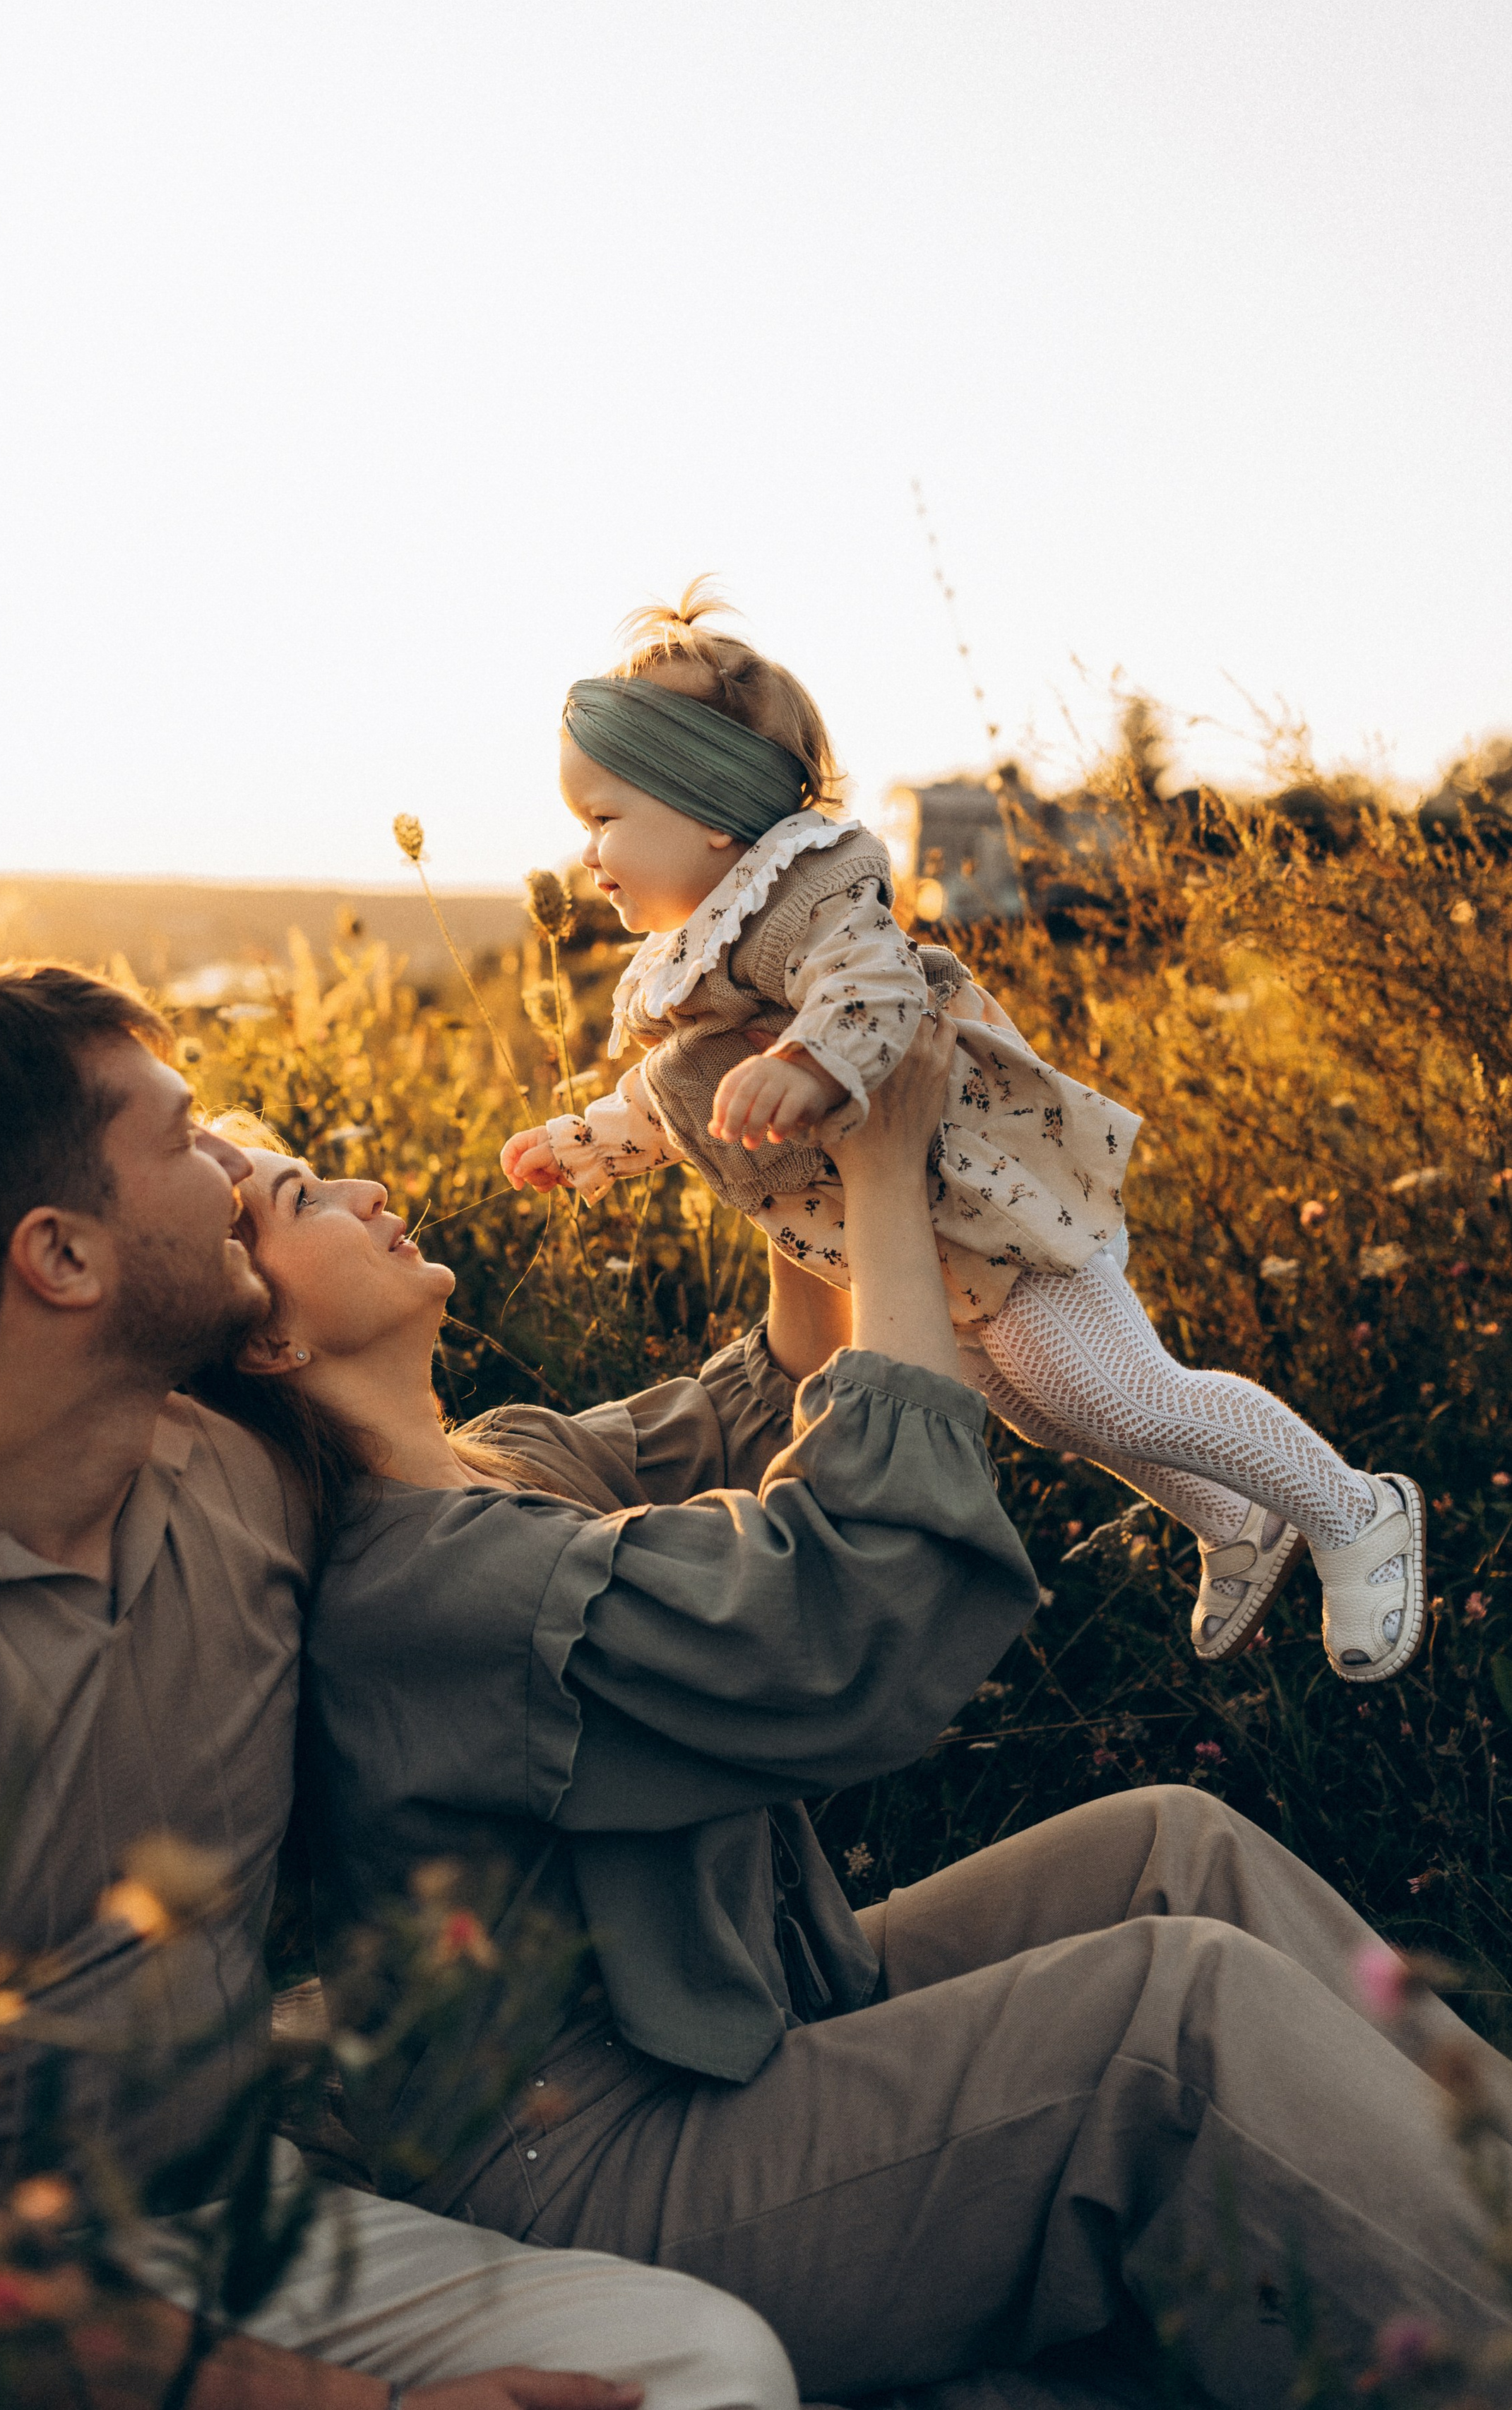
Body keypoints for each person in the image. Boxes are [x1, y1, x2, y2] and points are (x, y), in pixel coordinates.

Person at [202, 1023, 1512, 2409]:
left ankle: (1477, 2186)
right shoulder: (419, 1593)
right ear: (271, 1335)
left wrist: (792, 1160)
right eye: (305, 1199)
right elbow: (854, 1606)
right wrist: (884, 1179)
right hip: (590, 2160)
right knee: (1166, 2019)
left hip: (729, 2022)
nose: (363, 1194)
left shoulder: (495, 1458)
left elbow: (774, 1378)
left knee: (1174, 1849)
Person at [0, 966, 796, 2410]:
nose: (231, 1171)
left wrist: (807, 1194)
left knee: (698, 2367)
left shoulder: (242, 1474)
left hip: (222, 2213)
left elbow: (532, 1489)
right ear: (63, 1258)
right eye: (181, 1142)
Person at [497, 585, 1421, 1685]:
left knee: (1120, 1390)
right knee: (1051, 1412)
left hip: (991, 1199)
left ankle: (1355, 1512)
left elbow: (874, 987)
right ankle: (1237, 1521)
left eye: (602, 820)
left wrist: (806, 1062)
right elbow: (684, 1096)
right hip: (925, 1246)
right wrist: (590, 1144)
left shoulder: (808, 894)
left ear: (708, 809)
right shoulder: (695, 965)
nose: (586, 855)